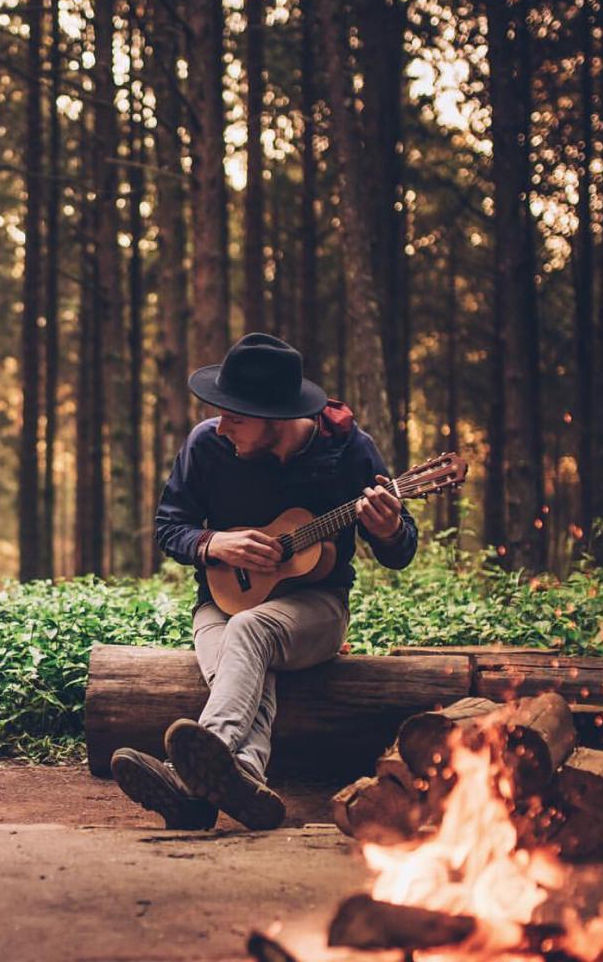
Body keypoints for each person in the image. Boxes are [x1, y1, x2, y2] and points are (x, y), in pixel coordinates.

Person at [111, 333, 418, 830]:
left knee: (250, 632)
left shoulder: (348, 452)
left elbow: (401, 550)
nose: (221, 425)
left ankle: (186, 775)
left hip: (316, 608)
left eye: (236, 416)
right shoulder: (206, 446)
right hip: (220, 601)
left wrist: (388, 530)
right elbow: (170, 527)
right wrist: (214, 545)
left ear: (275, 418)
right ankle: (241, 777)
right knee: (245, 656)